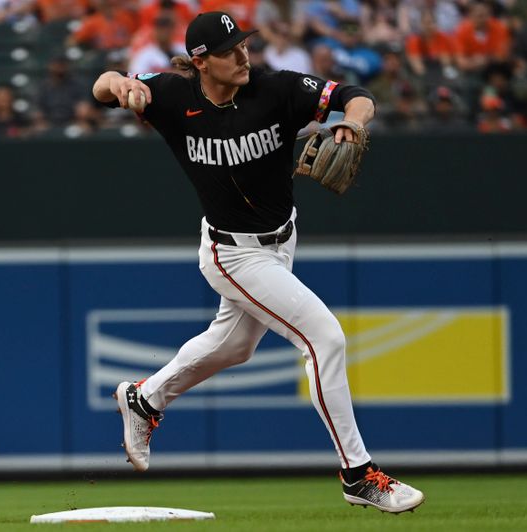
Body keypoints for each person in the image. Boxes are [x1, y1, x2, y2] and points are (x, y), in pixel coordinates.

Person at [92, 11, 425, 514]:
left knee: (235, 347)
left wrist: (352, 124)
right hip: (232, 252)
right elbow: (101, 86)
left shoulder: (277, 90)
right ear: (201, 61)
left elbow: (356, 96)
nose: (243, 56)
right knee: (325, 337)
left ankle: (145, 398)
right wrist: (119, 83)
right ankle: (358, 474)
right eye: (230, 50)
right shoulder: (172, 94)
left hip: (281, 241)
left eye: (245, 44)